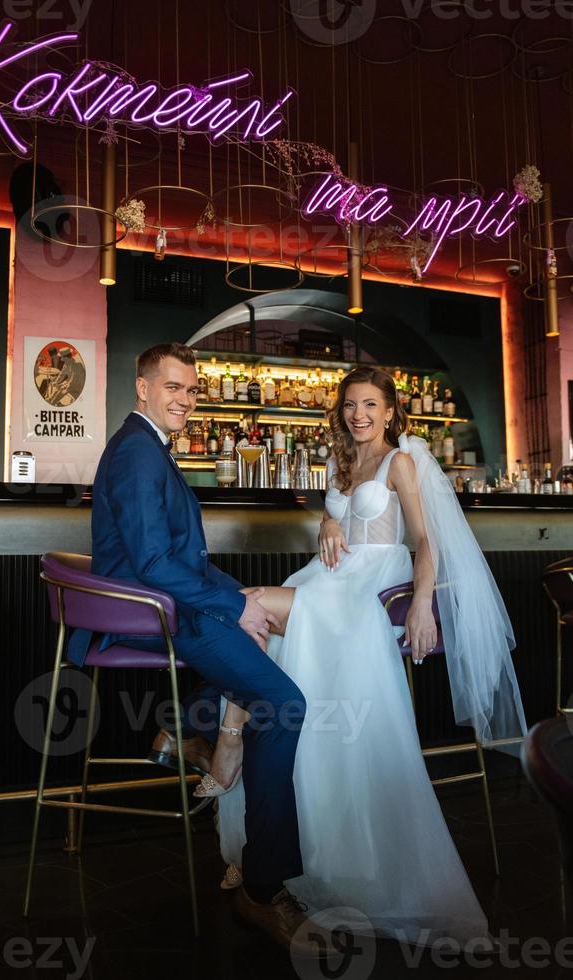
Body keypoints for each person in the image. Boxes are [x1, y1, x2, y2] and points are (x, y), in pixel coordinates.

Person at [213, 365, 527, 947]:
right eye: (351, 404)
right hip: (328, 581)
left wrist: (423, 605)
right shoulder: (341, 462)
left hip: (367, 593)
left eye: (370, 405)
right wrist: (327, 522)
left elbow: (423, 542)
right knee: (249, 610)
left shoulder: (400, 461)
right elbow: (341, 518)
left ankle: (228, 739)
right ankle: (249, 798)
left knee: (246, 605)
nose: (359, 414)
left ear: (389, 412)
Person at [66, 343, 322, 953]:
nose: (183, 398)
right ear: (144, 388)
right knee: (284, 702)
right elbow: (155, 564)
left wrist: (245, 597)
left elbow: (181, 561)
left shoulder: (148, 447)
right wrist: (236, 607)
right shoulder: (137, 453)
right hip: (152, 615)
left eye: (191, 389)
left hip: (169, 604)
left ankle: (184, 730)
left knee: (269, 637)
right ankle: (261, 888)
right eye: (172, 387)